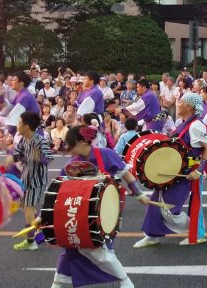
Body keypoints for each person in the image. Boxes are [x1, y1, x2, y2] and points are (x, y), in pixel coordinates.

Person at [51, 125, 148, 288]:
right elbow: (59, 191)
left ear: (82, 141)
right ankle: (58, 282)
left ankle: (125, 281)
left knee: (98, 247)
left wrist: (139, 193)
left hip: (106, 209)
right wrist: (44, 216)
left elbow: (126, 174)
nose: (70, 149)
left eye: (71, 144)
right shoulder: (72, 164)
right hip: (79, 210)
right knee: (71, 245)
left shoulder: (106, 154)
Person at [134, 93, 207, 247]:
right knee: (155, 202)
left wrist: (199, 171)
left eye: (181, 102)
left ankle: (196, 231)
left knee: (168, 208)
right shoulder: (185, 123)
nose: (178, 104)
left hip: (185, 174)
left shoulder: (196, 125)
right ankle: (152, 235)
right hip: (173, 170)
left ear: (189, 107)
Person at [8, 111, 51, 251]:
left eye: (19, 122)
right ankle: (41, 225)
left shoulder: (40, 140)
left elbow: (48, 157)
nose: (17, 125)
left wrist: (39, 158)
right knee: (22, 205)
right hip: (26, 176)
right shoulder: (24, 139)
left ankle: (30, 241)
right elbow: (18, 153)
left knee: (28, 208)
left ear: (26, 126)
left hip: (36, 181)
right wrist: (13, 155)